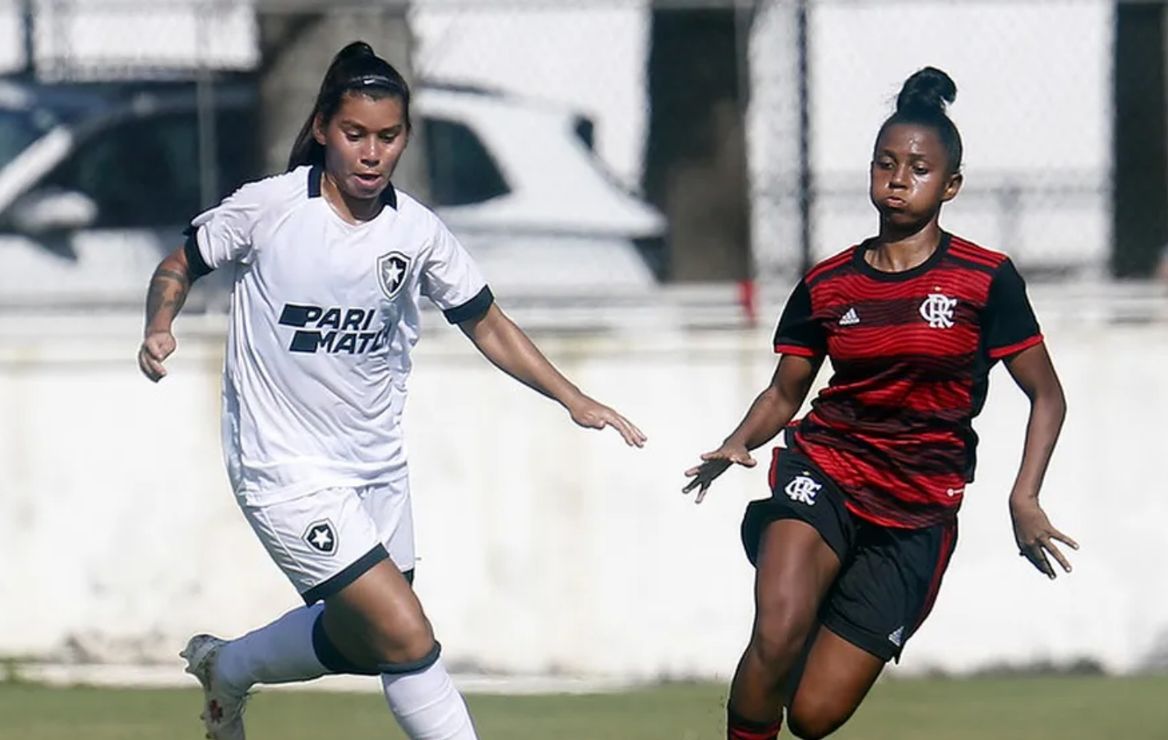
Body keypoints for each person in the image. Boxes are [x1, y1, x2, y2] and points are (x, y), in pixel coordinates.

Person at [138, 41, 646, 740]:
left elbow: (487, 323)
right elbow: (179, 262)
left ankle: (229, 667)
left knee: (368, 640)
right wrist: (159, 325)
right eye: (354, 135)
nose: (371, 153)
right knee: (407, 636)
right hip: (284, 470)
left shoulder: (417, 232)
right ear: (322, 129)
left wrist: (572, 398)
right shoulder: (272, 208)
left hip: (376, 469)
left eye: (388, 136)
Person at [682, 67, 1077, 740]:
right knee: (776, 634)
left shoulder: (984, 279)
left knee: (811, 715)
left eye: (919, 169)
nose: (898, 180)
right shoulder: (828, 284)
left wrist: (1025, 496)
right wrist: (740, 439)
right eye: (886, 164)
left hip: (917, 510)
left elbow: (1047, 395)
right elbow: (786, 391)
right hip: (825, 471)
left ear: (950, 185)